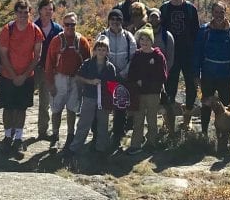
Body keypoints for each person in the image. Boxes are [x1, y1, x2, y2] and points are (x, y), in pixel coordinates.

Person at [0, 0, 44, 156]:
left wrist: (23, 76)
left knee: (21, 108)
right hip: (7, 76)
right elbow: (3, 55)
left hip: (26, 76)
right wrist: (13, 76)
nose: (23, 15)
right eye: (20, 12)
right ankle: (7, 136)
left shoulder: (35, 30)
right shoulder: (7, 29)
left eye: (26, 12)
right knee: (8, 108)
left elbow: (37, 56)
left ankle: (18, 138)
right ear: (15, 13)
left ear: (30, 13)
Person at [193, 1, 230, 138]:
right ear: (212, 13)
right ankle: (204, 133)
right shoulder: (204, 30)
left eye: (221, 12)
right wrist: (195, 73)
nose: (219, 15)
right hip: (208, 73)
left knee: (225, 106)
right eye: (216, 12)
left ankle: (224, 137)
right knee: (205, 105)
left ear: (225, 13)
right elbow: (197, 53)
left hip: (226, 73)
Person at [44, 11, 90, 150]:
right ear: (63, 25)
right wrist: (50, 84)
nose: (70, 27)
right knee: (56, 110)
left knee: (72, 109)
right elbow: (49, 63)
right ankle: (55, 136)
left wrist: (84, 82)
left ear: (76, 25)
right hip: (59, 78)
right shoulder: (56, 41)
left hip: (75, 79)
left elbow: (88, 62)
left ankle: (70, 135)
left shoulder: (82, 41)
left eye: (73, 24)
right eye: (67, 24)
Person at [68, 37, 117, 163]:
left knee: (103, 124)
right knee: (84, 123)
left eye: (104, 49)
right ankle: (74, 148)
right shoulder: (87, 63)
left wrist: (111, 102)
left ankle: (101, 150)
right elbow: (78, 77)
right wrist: (90, 81)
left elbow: (113, 86)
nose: (101, 52)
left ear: (107, 52)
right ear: (94, 50)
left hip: (104, 100)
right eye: (99, 49)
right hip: (89, 97)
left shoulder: (110, 67)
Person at [160, 0, 200, 132]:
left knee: (191, 87)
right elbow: (159, 32)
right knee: (170, 88)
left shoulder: (190, 9)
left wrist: (197, 56)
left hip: (188, 54)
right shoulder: (164, 9)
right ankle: (168, 120)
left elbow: (196, 33)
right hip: (171, 55)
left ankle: (187, 120)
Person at [97, 8, 136, 150]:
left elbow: (133, 58)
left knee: (120, 109)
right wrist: (110, 72)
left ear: (122, 21)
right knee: (103, 108)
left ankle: (117, 137)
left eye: (118, 19)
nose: (115, 22)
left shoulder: (128, 37)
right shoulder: (102, 35)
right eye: (112, 19)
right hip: (106, 77)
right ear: (109, 21)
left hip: (123, 78)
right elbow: (97, 55)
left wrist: (124, 73)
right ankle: (99, 137)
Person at [126, 27, 168, 154]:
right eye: (142, 39)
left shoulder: (158, 56)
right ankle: (135, 144)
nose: (144, 42)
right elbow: (131, 73)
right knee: (138, 120)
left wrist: (147, 81)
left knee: (152, 120)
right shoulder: (137, 55)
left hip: (153, 93)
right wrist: (137, 80)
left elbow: (162, 75)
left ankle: (151, 143)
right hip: (139, 93)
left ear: (152, 41)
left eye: (147, 39)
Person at [34, 0, 63, 140]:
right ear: (39, 10)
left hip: (48, 70)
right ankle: (15, 132)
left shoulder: (57, 29)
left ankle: (42, 131)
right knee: (22, 99)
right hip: (32, 68)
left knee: (45, 101)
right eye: (45, 9)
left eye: (51, 9)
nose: (48, 12)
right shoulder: (32, 27)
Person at [147, 7, 177, 136]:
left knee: (167, 105)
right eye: (151, 16)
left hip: (164, 76)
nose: (154, 19)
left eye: (156, 17)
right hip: (147, 77)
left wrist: (164, 75)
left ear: (160, 19)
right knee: (149, 105)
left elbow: (170, 58)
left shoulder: (167, 36)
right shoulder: (143, 34)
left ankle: (171, 131)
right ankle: (150, 132)